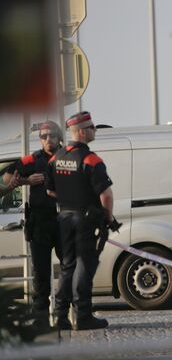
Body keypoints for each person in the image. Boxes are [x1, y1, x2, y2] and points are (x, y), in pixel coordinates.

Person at [46, 111, 120, 330]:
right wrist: (107, 218)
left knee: (67, 266)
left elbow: (50, 191)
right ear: (80, 131)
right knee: (84, 267)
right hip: (85, 220)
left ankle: (60, 317)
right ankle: (84, 316)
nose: (95, 130)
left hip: (64, 218)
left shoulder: (55, 158)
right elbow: (106, 195)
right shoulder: (91, 159)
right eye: (92, 127)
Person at [2, 121, 62, 327]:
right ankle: (41, 319)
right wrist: (27, 181)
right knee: (41, 272)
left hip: (64, 219)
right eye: (43, 136)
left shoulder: (67, 155)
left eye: (51, 135)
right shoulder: (32, 159)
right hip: (40, 222)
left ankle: (64, 314)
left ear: (59, 136)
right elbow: (9, 174)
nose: (47, 139)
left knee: (69, 268)